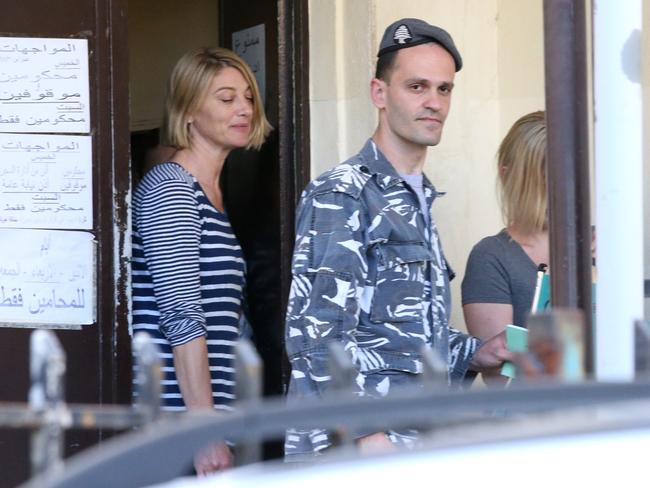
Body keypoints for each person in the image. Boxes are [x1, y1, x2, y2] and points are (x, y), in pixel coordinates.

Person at [284, 18, 512, 460]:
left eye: (444, 89)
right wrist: (369, 437)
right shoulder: (344, 192)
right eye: (417, 86)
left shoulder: (419, 197)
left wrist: (477, 353)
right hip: (356, 453)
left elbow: (403, 333)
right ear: (379, 93)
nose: (433, 102)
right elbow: (315, 333)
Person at [131, 47, 271, 475]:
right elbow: (181, 314)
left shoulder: (210, 193)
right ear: (188, 111)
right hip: (177, 430)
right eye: (226, 99)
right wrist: (203, 428)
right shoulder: (172, 188)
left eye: (248, 97)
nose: (244, 108)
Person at [461, 111, 546, 383]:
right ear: (508, 176)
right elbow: (501, 378)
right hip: (531, 418)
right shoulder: (492, 257)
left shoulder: (596, 245)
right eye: (542, 177)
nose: (557, 188)